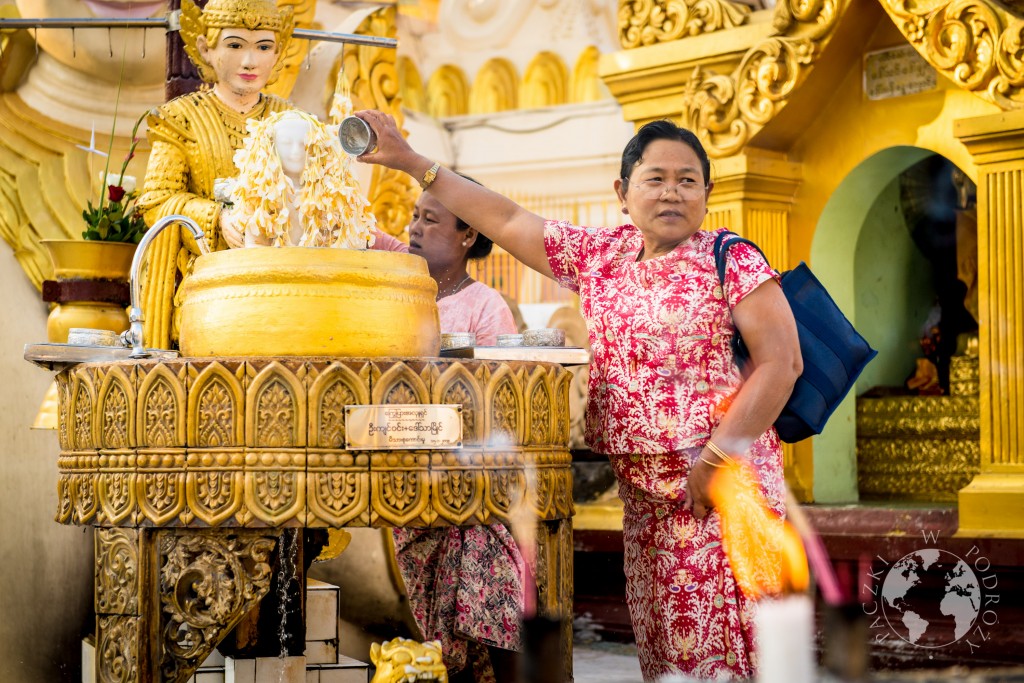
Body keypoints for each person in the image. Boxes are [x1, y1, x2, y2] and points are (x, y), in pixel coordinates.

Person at [354, 111, 803, 681]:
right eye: (655, 178)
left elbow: (781, 364)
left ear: (708, 193)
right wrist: (413, 162)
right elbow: (510, 218)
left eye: (688, 180)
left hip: (717, 489)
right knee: (667, 657)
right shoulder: (602, 257)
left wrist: (715, 461)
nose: (672, 192)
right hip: (646, 499)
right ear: (622, 191)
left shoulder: (730, 257)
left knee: (727, 656)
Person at [386, 183, 523, 683]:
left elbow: (499, 403)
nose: (415, 229)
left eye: (431, 220)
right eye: (414, 216)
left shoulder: (486, 307)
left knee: (486, 556)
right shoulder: (396, 280)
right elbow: (350, 231)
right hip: (400, 471)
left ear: (468, 235)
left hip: (468, 479)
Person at [136, 0, 295, 348]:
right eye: (235, 45)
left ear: (278, 52)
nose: (250, 61)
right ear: (206, 49)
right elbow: (156, 203)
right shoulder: (179, 118)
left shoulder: (292, 120)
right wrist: (217, 219)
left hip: (281, 286)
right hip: (206, 288)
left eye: (263, 47)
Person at [226, 109, 376, 248]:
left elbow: (347, 246)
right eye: (286, 143)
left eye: (304, 144)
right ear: (270, 146)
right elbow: (255, 248)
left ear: (317, 147)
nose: (296, 152)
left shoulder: (331, 194)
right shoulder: (259, 194)